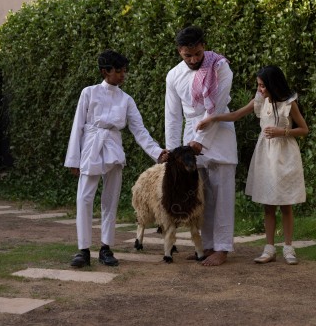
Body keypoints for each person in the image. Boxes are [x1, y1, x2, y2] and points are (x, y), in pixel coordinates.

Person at [196, 65, 308, 265]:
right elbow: (236, 115)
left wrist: (282, 132)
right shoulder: (260, 101)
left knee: (285, 204)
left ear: (273, 85)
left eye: (263, 86)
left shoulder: (289, 103)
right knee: (267, 202)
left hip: (284, 154)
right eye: (258, 85)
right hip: (265, 154)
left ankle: (289, 247)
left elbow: (304, 129)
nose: (260, 89)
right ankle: (269, 248)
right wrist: (212, 118)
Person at [64, 49, 165, 268]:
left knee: (110, 200)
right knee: (84, 198)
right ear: (105, 71)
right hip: (91, 146)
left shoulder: (126, 100)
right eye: (118, 71)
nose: (123, 75)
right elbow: (77, 126)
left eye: (124, 71)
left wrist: (157, 153)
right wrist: (74, 160)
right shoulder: (88, 93)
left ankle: (105, 248)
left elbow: (139, 130)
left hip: (113, 149)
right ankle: (83, 249)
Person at [164, 26, 238, 266]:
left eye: (197, 53)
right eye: (188, 55)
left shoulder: (220, 67)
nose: (194, 60)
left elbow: (215, 109)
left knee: (223, 194)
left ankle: (223, 248)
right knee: (200, 195)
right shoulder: (173, 76)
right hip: (190, 135)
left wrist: (201, 141)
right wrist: (174, 151)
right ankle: (206, 245)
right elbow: (173, 116)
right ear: (179, 52)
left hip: (219, 131)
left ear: (203, 46)